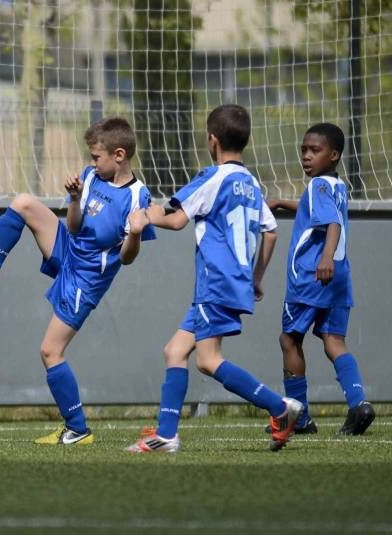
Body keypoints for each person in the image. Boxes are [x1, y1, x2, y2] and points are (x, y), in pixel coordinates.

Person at [0, 117, 156, 445]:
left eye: (96, 157)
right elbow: (72, 227)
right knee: (24, 202)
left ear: (119, 155)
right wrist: (73, 198)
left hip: (87, 277)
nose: (91, 163)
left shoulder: (138, 196)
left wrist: (136, 233)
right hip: (69, 247)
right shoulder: (90, 177)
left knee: (50, 351)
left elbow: (126, 258)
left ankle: (77, 429)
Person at [125, 104, 302, 454]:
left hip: (215, 283)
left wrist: (143, 216)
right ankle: (166, 434)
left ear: (212, 140)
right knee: (175, 350)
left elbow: (176, 220)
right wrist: (256, 278)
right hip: (232, 283)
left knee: (207, 360)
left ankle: (280, 408)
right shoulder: (251, 183)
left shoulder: (213, 177)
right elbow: (270, 233)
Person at [265, 123, 374, 436]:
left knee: (289, 339)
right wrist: (284, 203)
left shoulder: (317, 186)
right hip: (340, 276)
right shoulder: (335, 186)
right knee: (334, 341)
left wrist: (325, 256)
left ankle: (299, 418)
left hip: (313, 276)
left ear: (334, 154)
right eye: (304, 150)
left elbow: (331, 222)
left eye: (315, 150)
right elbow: (321, 211)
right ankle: (358, 404)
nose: (307, 156)